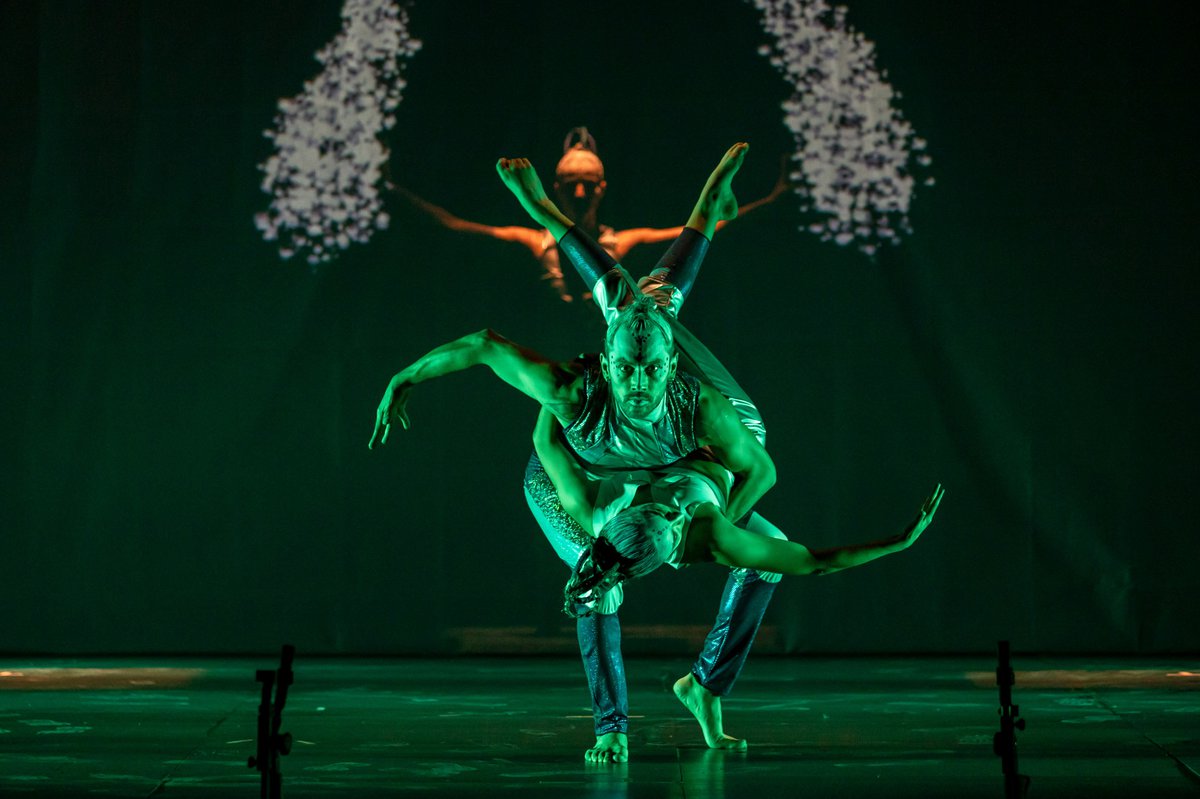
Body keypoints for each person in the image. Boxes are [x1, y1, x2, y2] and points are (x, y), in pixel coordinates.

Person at [372, 144, 784, 762]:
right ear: (608, 365)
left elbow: (680, 255)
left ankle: (703, 686)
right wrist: (405, 376)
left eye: (653, 370)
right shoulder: (573, 393)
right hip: (572, 482)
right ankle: (611, 725)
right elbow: (485, 346)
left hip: (654, 476)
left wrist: (711, 193)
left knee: (768, 554)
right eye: (627, 371)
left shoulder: (679, 376)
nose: (640, 384)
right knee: (597, 583)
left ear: (671, 363)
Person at [530, 406, 944, 611]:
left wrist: (565, 384)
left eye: (661, 514)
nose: (677, 516)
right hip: (709, 449)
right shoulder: (713, 538)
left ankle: (701, 686)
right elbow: (814, 562)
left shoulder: (594, 510)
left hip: (607, 452)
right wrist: (898, 542)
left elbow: (544, 441)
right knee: (773, 543)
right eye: (675, 530)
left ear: (632, 513)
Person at [395, 127, 788, 301]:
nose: (580, 194)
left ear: (601, 188)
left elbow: (705, 233)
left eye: (587, 184)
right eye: (572, 186)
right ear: (556, 188)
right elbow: (452, 228)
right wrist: (392, 192)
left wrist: (773, 203)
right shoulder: (534, 242)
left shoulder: (625, 243)